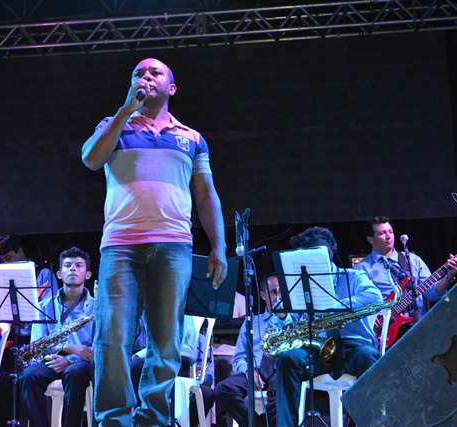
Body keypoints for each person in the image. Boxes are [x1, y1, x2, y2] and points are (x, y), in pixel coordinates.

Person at [81, 57, 228, 426]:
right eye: (138, 73)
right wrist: (125, 110)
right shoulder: (114, 124)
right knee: (112, 337)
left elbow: (206, 195)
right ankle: (114, 419)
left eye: (155, 72)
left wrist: (219, 246)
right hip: (121, 246)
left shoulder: (191, 138)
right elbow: (91, 159)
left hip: (174, 245)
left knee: (166, 342)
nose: (145, 76)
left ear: (171, 88)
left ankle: (153, 419)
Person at [272, 227, 383, 427]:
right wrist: (283, 315)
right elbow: (293, 321)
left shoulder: (353, 277)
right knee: (289, 358)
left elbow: (375, 297)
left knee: (368, 356)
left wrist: (334, 307)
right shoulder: (302, 285)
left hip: (353, 348)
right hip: (318, 350)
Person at [19, 246, 96, 427]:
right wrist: (65, 348)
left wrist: (70, 360)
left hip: (82, 364)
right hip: (51, 360)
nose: (73, 269)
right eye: (67, 265)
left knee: (73, 373)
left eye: (79, 265)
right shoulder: (43, 306)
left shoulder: (97, 307)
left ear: (88, 275)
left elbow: (99, 347)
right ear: (59, 274)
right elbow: (37, 345)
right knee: (29, 376)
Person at [353, 215, 457, 318]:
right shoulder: (360, 269)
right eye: (382, 233)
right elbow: (356, 306)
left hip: (417, 326)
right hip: (384, 328)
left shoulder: (413, 260)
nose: (388, 236)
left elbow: (432, 293)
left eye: (390, 231)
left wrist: (448, 276)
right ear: (370, 239)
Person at [214, 275, 281, 427]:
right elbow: (239, 358)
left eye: (281, 292)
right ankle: (257, 424)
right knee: (223, 389)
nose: (279, 297)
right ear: (263, 295)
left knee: (279, 392)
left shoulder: (293, 319)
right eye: (273, 292)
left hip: (280, 372)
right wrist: (249, 372)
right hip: (256, 372)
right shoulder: (252, 322)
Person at [0, 234, 57, 301]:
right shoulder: (4, 280)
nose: (6, 264)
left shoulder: (43, 274)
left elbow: (49, 305)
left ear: (20, 251)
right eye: (3, 261)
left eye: (8, 258)